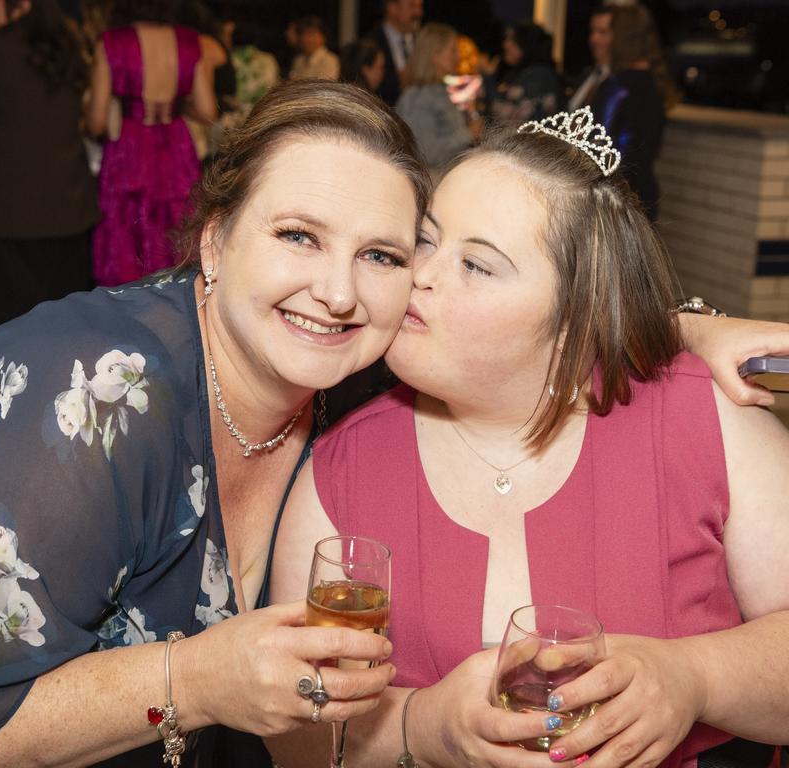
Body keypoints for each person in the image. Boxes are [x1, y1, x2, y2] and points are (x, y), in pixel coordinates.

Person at [0, 80, 427, 768]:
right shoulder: (88, 398)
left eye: (381, 256)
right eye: (298, 235)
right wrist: (196, 682)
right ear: (215, 242)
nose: (341, 292)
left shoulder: (342, 398)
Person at [268, 109, 789, 767]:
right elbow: (295, 741)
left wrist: (694, 678)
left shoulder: (708, 420)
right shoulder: (340, 471)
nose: (420, 275)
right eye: (426, 242)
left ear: (574, 320)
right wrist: (423, 727)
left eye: (477, 266)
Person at [0, 0, 99, 340]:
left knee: (7, 335)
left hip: (9, 212)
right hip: (68, 205)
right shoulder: (68, 47)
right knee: (63, 331)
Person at [85, 0, 216, 287]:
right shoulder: (190, 42)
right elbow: (208, 110)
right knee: (177, 232)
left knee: (125, 235)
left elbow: (95, 122)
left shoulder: (111, 43)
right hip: (176, 146)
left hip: (129, 148)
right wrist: (177, 107)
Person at [591, 4, 676, 221]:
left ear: (620, 38)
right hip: (644, 196)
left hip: (614, 200)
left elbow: (598, 148)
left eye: (607, 32)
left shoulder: (617, 87)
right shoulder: (654, 84)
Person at [396, 24, 473, 177]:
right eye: (452, 50)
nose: (458, 57)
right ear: (434, 54)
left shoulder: (441, 91)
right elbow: (426, 152)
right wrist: (468, 133)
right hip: (431, 186)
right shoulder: (417, 97)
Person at [482, 21, 563, 123]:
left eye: (512, 40)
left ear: (525, 44)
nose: (505, 45)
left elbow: (509, 117)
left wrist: (488, 78)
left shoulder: (539, 77)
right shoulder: (528, 74)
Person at [367, 0, 424, 106]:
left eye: (420, 6)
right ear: (392, 8)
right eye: (412, 6)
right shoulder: (371, 43)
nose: (418, 12)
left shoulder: (424, 42)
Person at [568, 6, 613, 110]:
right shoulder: (588, 74)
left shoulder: (620, 82)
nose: (594, 38)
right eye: (592, 31)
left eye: (603, 32)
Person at [288, 16, 340, 81]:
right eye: (303, 34)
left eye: (311, 34)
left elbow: (325, 87)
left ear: (323, 37)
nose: (306, 38)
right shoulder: (299, 60)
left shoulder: (329, 60)